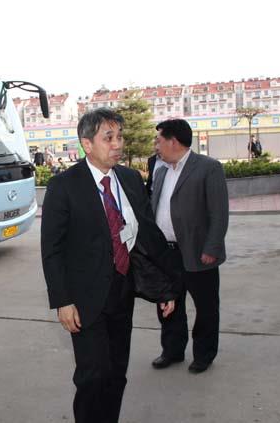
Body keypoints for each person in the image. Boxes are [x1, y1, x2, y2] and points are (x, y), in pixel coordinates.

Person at [41, 108, 177, 423]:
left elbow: (149, 236)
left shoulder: (129, 179)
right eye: (108, 138)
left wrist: (167, 286)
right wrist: (62, 300)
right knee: (92, 376)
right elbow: (52, 250)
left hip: (122, 291)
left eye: (120, 137)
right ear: (87, 144)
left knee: (116, 372)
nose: (117, 144)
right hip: (84, 298)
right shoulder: (64, 186)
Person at [150, 118, 229, 374]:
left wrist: (212, 248)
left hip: (197, 252)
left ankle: (204, 355)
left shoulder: (208, 168)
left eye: (159, 140)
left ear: (173, 141)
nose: (156, 146)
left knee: (206, 307)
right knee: (168, 305)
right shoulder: (161, 171)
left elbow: (219, 213)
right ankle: (172, 351)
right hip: (166, 254)